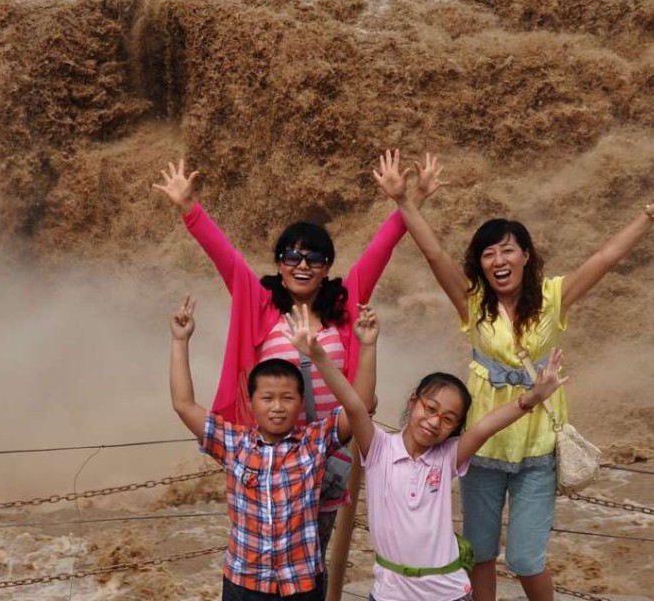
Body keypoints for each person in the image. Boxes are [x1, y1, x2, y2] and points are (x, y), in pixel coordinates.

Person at [373, 148, 654, 601]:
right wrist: (404, 201)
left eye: (508, 249)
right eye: (488, 253)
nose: (498, 259)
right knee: (480, 552)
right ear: (480, 264)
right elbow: (434, 253)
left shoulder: (553, 298)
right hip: (482, 448)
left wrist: (647, 216)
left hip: (536, 449)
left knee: (525, 558)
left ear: (526, 255)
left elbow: (605, 257)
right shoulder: (472, 303)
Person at [153, 157, 442, 558]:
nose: (302, 265)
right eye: (292, 256)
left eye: (314, 259)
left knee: (311, 553)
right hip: (268, 453)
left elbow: (381, 249)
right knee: (262, 544)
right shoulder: (260, 303)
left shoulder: (346, 303)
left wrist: (410, 201)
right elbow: (226, 256)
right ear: (279, 264)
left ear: (327, 268)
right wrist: (189, 208)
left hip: (326, 450)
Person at [287, 302, 568, 601]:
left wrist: (533, 397)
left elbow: (486, 426)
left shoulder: (448, 456)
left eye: (448, 419)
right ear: (412, 402)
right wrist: (346, 349)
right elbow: (356, 405)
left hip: (447, 593)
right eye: (430, 408)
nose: (435, 422)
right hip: (389, 593)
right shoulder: (379, 447)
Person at [168, 295, 375, 601]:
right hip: (244, 583)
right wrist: (179, 340)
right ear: (251, 404)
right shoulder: (234, 443)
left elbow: (360, 407)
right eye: (267, 398)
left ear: (300, 403)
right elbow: (183, 405)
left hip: (302, 583)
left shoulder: (314, 442)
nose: (277, 407)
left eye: (287, 398)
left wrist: (367, 346)